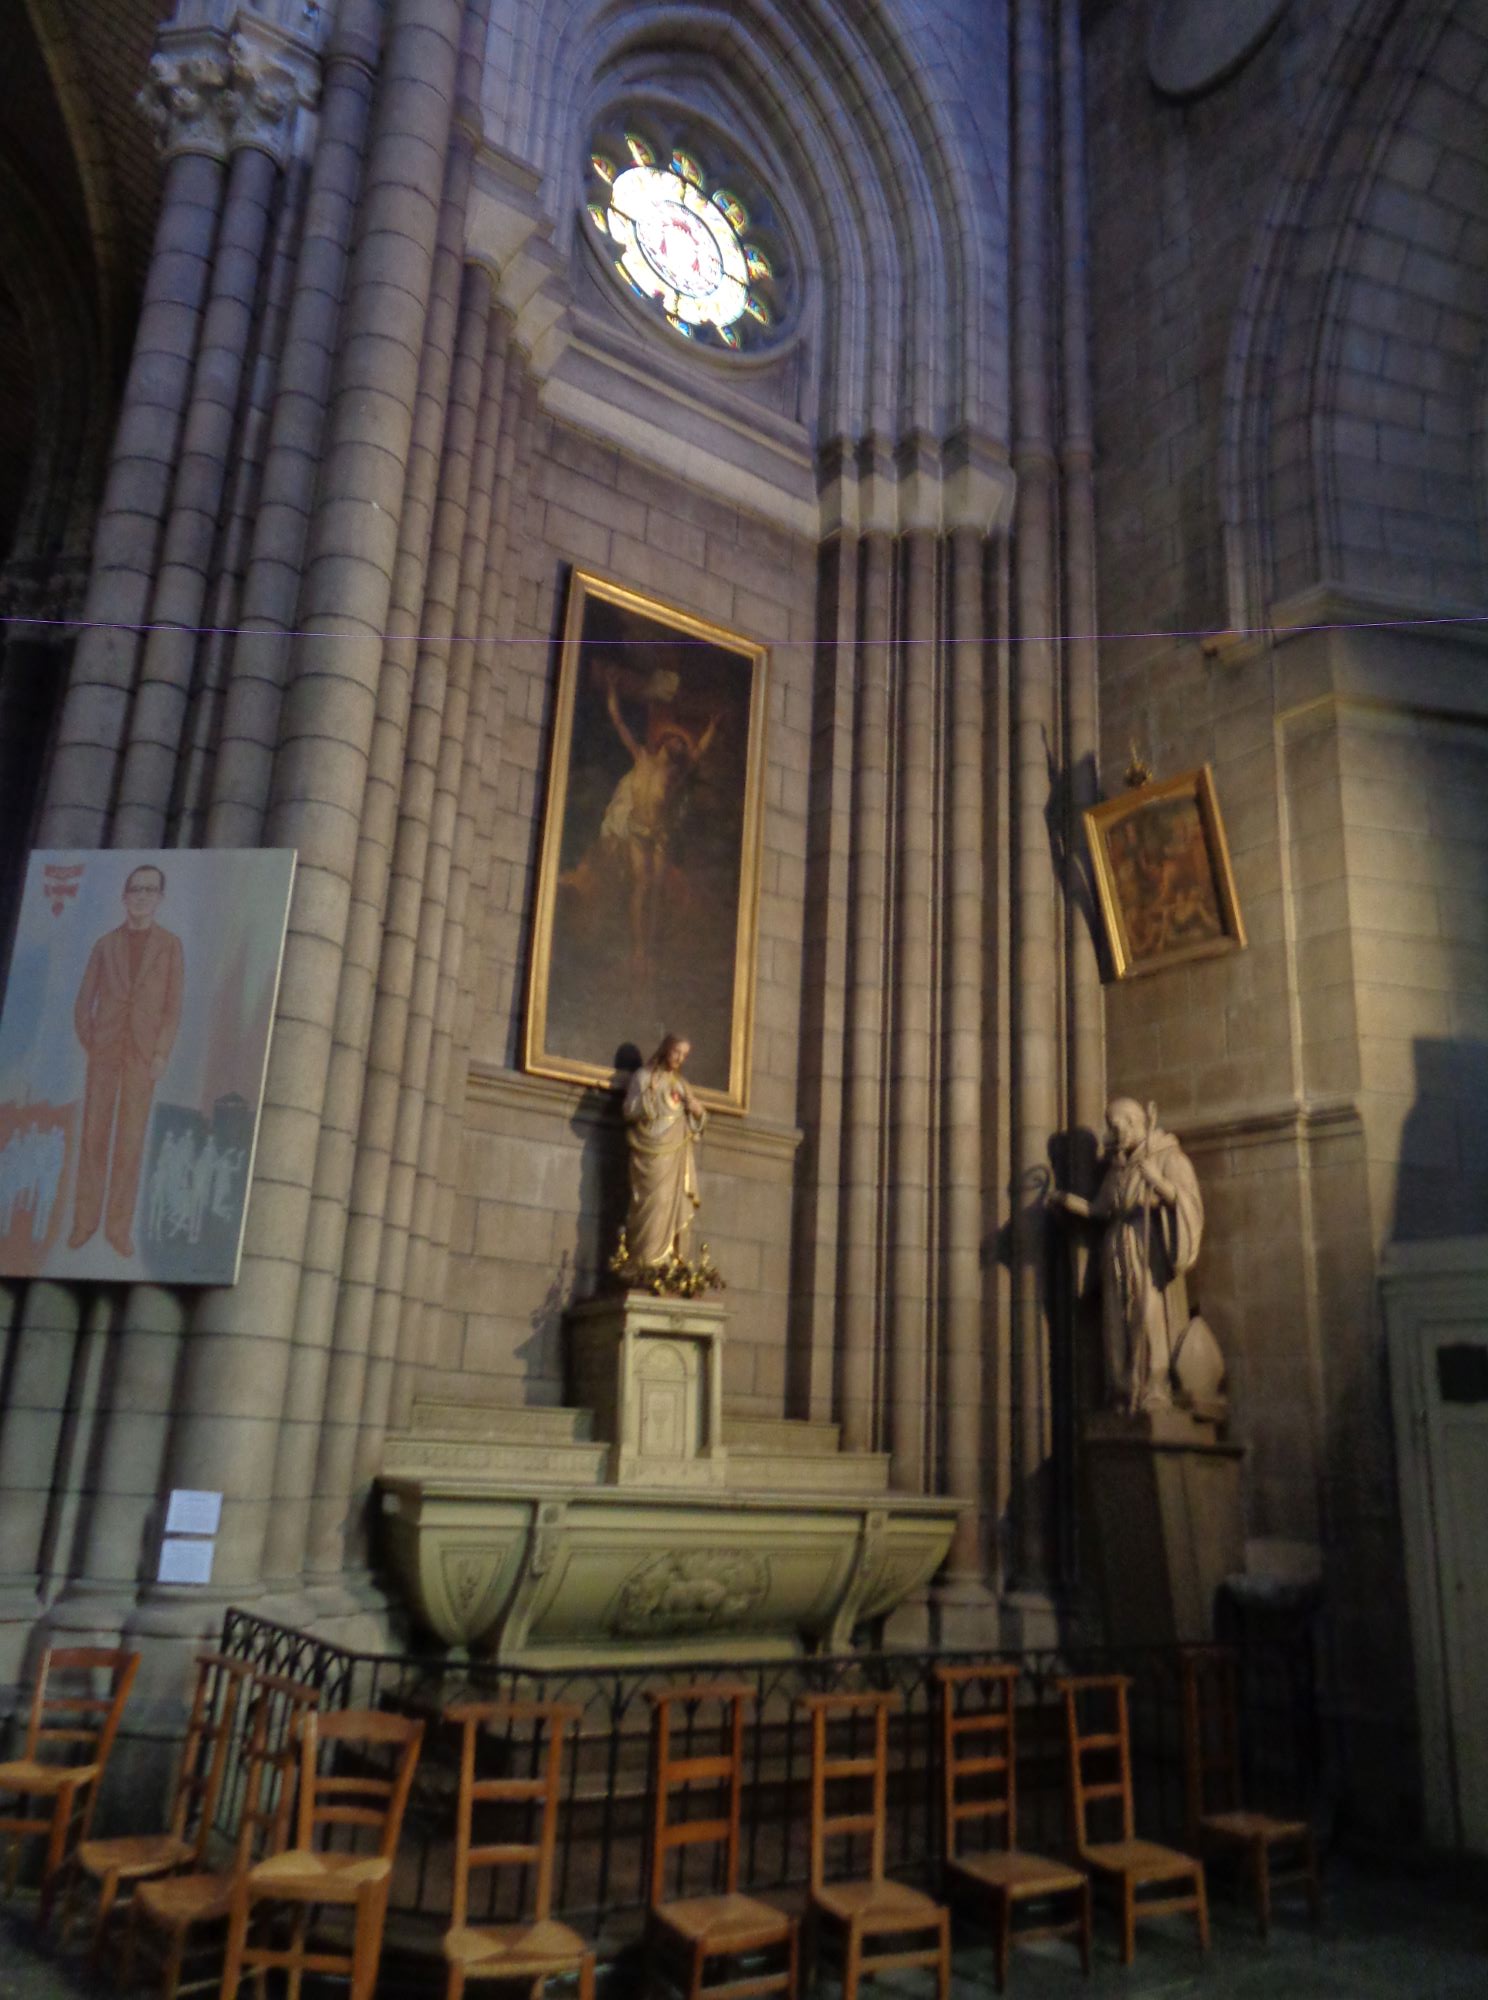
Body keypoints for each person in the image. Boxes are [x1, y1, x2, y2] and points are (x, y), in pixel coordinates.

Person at [1048, 1096, 1203, 1413]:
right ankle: (1122, 1390)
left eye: (1116, 1127)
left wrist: (1157, 1183)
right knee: (1116, 1320)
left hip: (1146, 1249)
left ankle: (1153, 1387)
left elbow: (1188, 1202)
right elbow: (1100, 1209)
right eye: (1109, 1128)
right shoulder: (1119, 1168)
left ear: (1135, 1123)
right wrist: (1067, 1201)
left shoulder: (1168, 1157)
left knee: (1146, 1315)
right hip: (1116, 1246)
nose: (1113, 1135)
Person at [69, 864, 185, 1258]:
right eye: (135, 889)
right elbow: (83, 1002)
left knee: (130, 1141)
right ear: (124, 896)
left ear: (160, 898)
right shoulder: (105, 944)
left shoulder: (170, 946)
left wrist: (160, 1054)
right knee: (94, 1135)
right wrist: (93, 1041)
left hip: (142, 1056)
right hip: (105, 1051)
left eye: (150, 890)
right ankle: (85, 1223)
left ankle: (117, 1229)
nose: (141, 895)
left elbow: (172, 1008)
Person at [618, 1033, 707, 1272]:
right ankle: (643, 1263)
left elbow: (695, 1120)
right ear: (666, 1049)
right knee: (651, 1204)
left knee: (669, 1202)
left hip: (675, 1157)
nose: (679, 1058)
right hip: (649, 1155)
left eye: (684, 1055)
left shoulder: (681, 1084)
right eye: (676, 1052)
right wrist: (648, 1095)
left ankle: (668, 1263)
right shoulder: (643, 1077)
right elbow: (629, 1111)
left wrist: (698, 1113)